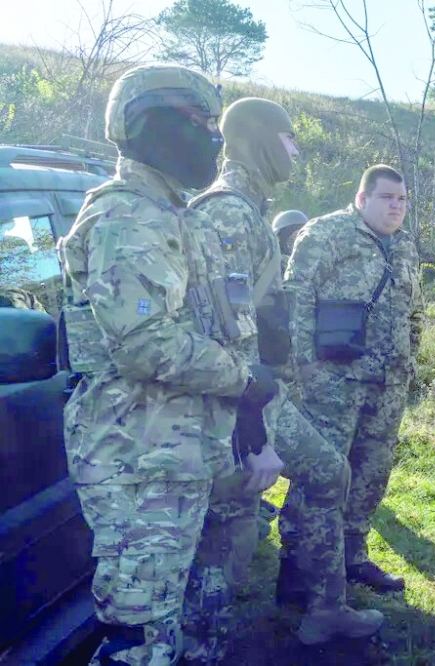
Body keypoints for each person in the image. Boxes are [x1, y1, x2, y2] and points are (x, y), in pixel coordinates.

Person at [58, 64, 278, 666]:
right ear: (150, 123)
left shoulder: (180, 218)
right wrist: (244, 378)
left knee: (198, 617)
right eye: (200, 122)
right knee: (142, 639)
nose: (214, 137)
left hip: (186, 457)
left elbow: (221, 325)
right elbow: (146, 344)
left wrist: (250, 412)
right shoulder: (125, 217)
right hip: (138, 464)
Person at [186, 100, 382, 653]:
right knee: (230, 525)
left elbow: (257, 318)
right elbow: (223, 332)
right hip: (233, 398)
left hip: (257, 389)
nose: (297, 149)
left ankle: (319, 607)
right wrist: (256, 435)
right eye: (290, 138)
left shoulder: (249, 208)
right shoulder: (227, 212)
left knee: (323, 475)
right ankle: (206, 646)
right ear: (262, 140)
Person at [284, 164, 422, 595]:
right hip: (333, 383)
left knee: (371, 473)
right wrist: (304, 366)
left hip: (387, 384)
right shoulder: (326, 234)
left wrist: (410, 360)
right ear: (362, 199)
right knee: (322, 475)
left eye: (402, 200)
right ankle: (295, 568)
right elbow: (296, 298)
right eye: (387, 198)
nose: (396, 207)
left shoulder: (403, 247)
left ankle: (352, 557)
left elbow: (414, 308)